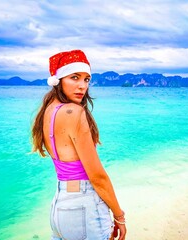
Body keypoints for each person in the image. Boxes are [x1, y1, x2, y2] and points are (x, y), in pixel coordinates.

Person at [31, 49, 127, 240]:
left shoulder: (48, 111)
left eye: (86, 79)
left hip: (60, 205)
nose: (82, 86)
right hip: (84, 206)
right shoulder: (73, 112)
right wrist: (119, 216)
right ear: (58, 80)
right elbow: (97, 177)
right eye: (75, 77)